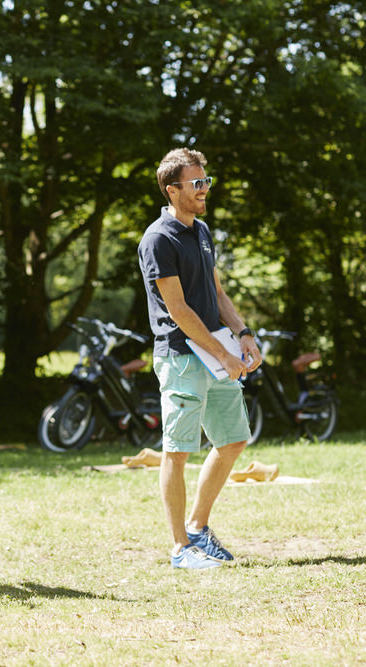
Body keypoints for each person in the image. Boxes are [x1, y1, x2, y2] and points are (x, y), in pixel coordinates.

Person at [137, 148, 263, 570]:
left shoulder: (202, 231)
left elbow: (216, 294)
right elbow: (179, 310)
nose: (205, 189)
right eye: (197, 184)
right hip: (181, 357)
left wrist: (243, 335)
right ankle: (179, 550)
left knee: (232, 440)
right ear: (173, 190)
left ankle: (197, 528)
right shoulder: (158, 239)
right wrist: (225, 354)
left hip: (218, 355)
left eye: (206, 181)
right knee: (177, 450)